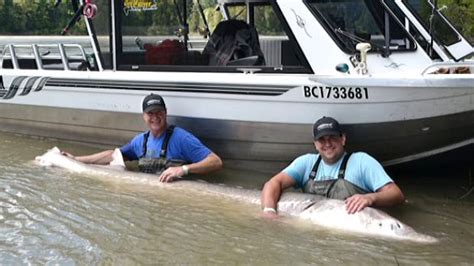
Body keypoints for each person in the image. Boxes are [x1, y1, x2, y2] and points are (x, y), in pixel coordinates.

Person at [261, 116, 404, 216]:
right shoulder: (306, 163)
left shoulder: (362, 161)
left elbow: (396, 195)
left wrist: (370, 198)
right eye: (322, 140)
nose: (328, 144)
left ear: (343, 139)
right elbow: (273, 183)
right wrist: (269, 211)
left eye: (332, 138)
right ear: (315, 144)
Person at [63, 93, 223, 182]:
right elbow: (113, 155)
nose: (155, 117)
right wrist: (75, 159)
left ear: (166, 113)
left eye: (159, 112)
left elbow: (215, 162)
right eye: (150, 113)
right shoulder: (140, 141)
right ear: (144, 116)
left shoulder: (181, 138)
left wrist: (183, 169)